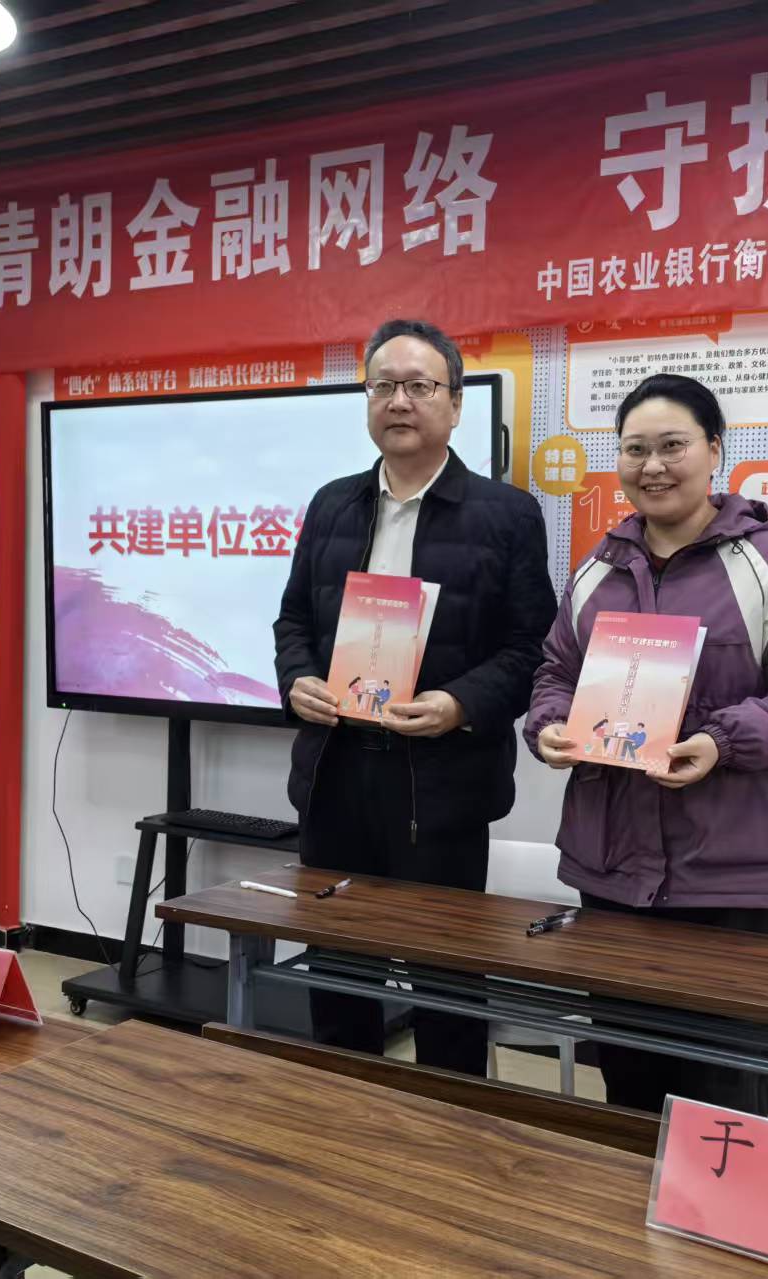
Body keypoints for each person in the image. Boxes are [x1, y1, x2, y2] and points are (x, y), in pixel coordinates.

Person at [527, 372, 768, 1116]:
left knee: (723, 1096)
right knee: (630, 1081)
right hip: (612, 872)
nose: (653, 466)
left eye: (672, 445)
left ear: (713, 449)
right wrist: (548, 723)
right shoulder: (598, 569)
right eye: (634, 449)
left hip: (732, 879)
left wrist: (720, 741)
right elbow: (556, 671)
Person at [275, 317, 556, 1075]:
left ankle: (450, 1123)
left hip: (442, 785)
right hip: (336, 775)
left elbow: (531, 647)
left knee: (447, 980)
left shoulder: (507, 515)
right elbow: (293, 621)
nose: (399, 401)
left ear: (456, 404)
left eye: (420, 386)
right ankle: (345, 1109)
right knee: (339, 970)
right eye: (383, 386)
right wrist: (297, 681)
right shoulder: (331, 504)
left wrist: (460, 704)